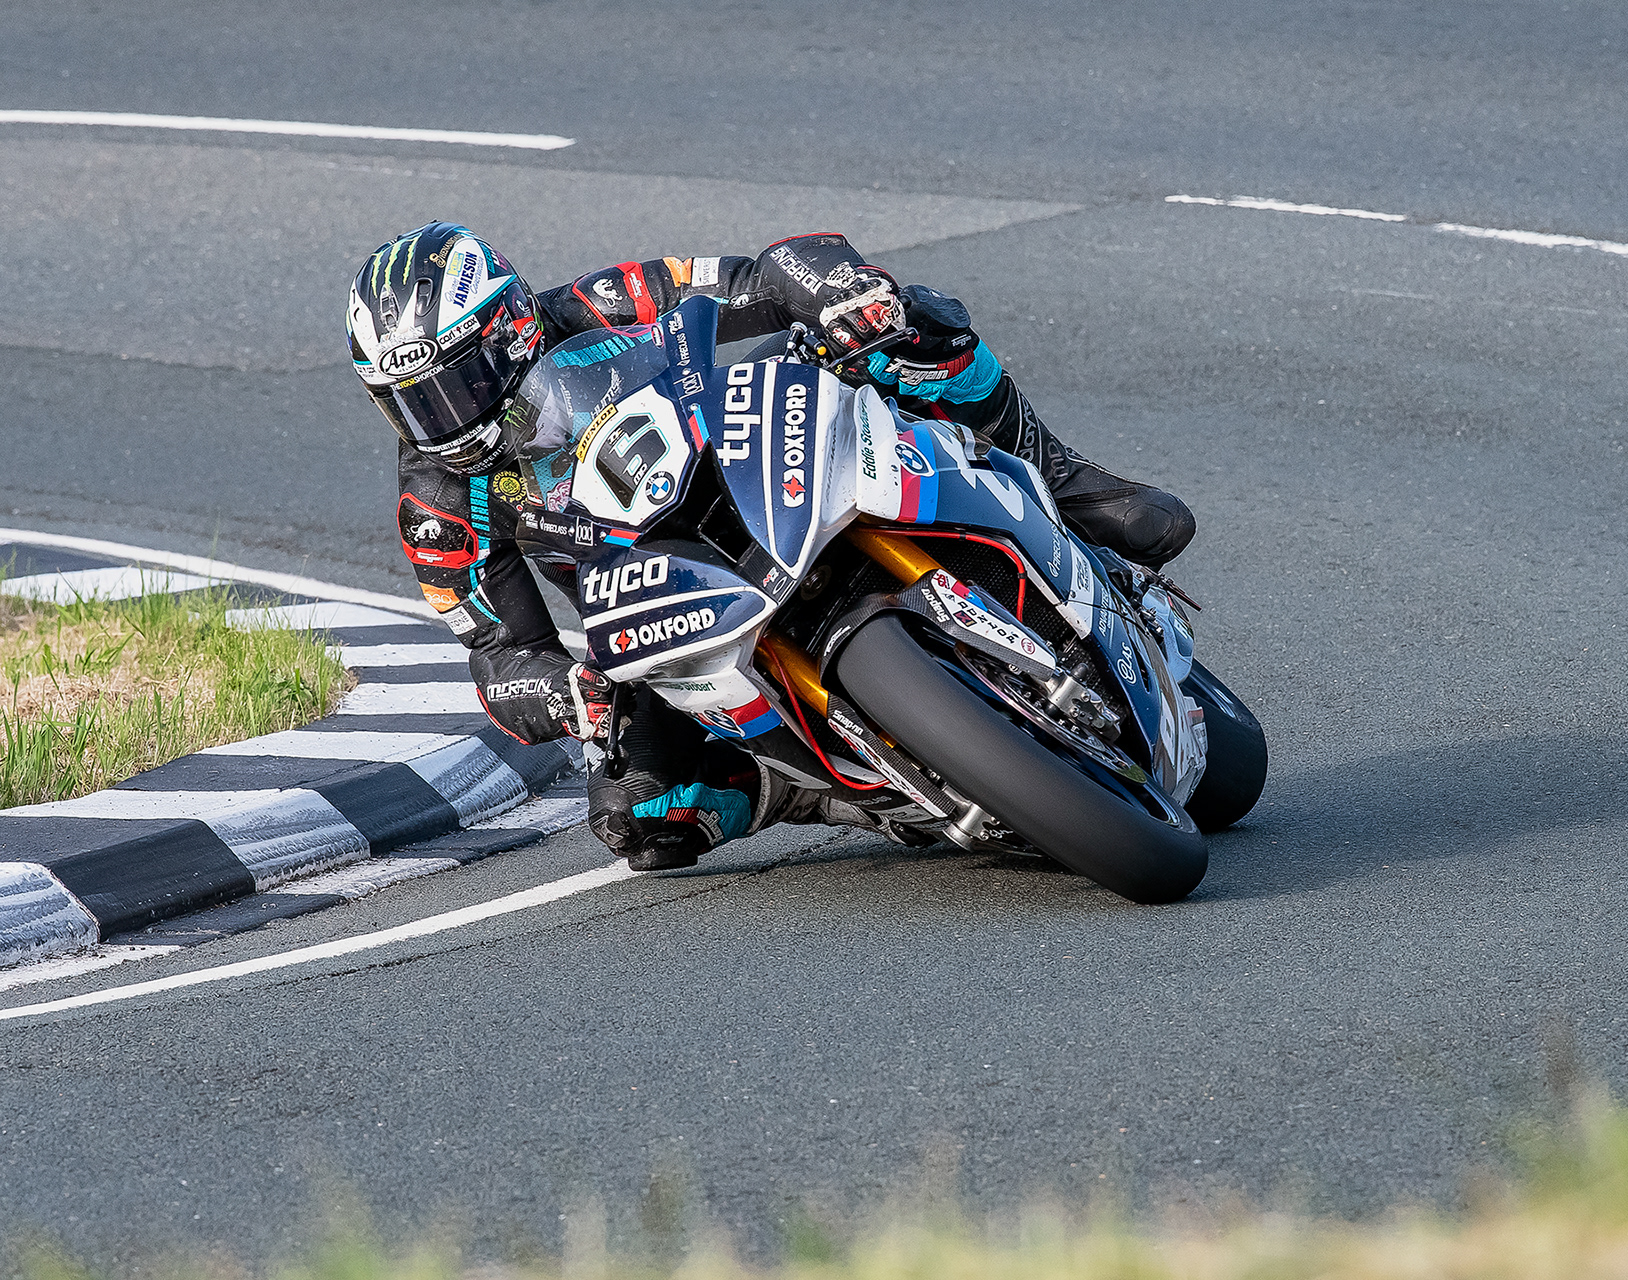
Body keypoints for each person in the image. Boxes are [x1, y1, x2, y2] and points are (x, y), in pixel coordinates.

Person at [347, 222, 1194, 870]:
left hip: (754, 465)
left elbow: (761, 275)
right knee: (634, 817)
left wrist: (841, 294)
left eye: (451, 386)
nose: (441, 421)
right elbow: (499, 655)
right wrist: (570, 694)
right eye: (409, 403)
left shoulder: (600, 303)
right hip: (662, 599)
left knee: (912, 326)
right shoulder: (438, 501)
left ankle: (1062, 478)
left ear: (508, 329)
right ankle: (810, 788)